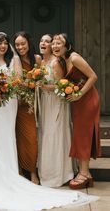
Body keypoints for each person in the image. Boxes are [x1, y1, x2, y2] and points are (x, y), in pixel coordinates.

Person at [0, 32, 98, 211]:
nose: (5, 46)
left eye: (54, 42)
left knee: (19, 138)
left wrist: (20, 87)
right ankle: (4, 174)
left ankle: (47, 173)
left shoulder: (41, 60)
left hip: (17, 104)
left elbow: (22, 81)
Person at [52, 33, 101, 189]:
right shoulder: (62, 60)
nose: (55, 46)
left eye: (59, 43)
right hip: (78, 101)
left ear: (67, 45)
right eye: (53, 43)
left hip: (87, 99)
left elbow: (93, 76)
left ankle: (84, 173)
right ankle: (85, 173)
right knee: (80, 134)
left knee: (83, 135)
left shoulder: (74, 58)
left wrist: (79, 94)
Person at [38, 34, 74, 187]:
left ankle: (59, 174)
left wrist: (46, 87)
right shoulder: (41, 61)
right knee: (46, 134)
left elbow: (61, 85)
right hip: (46, 102)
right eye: (42, 41)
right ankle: (46, 171)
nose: (45, 43)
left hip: (56, 102)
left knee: (55, 134)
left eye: (48, 41)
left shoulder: (55, 62)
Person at [14, 31, 41, 184]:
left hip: (31, 105)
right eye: (17, 44)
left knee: (31, 139)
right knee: (16, 139)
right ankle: (19, 172)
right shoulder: (14, 59)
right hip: (17, 105)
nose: (20, 47)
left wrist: (36, 84)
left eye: (23, 43)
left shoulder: (37, 59)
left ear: (29, 43)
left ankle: (32, 172)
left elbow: (42, 77)